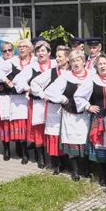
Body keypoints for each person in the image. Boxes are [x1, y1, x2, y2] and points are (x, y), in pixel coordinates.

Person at [45, 50, 91, 181]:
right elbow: (49, 91)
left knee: (85, 141)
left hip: (86, 114)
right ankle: (75, 171)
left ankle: (86, 169)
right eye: (73, 61)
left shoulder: (91, 75)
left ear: (83, 61)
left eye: (78, 60)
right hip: (70, 114)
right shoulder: (66, 76)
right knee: (72, 141)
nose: (76, 63)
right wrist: (63, 99)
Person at [74, 53, 106, 186]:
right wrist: (88, 106)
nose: (102, 66)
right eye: (99, 64)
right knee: (100, 146)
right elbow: (78, 96)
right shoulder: (92, 80)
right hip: (99, 118)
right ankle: (102, 175)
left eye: (105, 63)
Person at [14, 40, 56, 168]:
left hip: (53, 103)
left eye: (43, 50)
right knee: (39, 131)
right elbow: (18, 81)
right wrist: (28, 89)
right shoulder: (32, 67)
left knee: (52, 129)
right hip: (37, 103)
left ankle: (54, 158)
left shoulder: (55, 65)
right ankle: (41, 158)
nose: (40, 53)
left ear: (49, 52)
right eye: (38, 51)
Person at [31, 45, 71, 174]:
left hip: (69, 109)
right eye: (57, 56)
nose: (57, 59)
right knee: (55, 135)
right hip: (54, 109)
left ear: (67, 58)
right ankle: (57, 163)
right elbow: (35, 83)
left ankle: (68, 162)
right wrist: (43, 95)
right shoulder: (52, 72)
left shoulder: (72, 72)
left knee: (67, 134)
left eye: (60, 56)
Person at [8, 39, 36, 163]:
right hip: (17, 99)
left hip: (31, 98)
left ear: (30, 49)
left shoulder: (35, 61)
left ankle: (36, 153)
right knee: (20, 126)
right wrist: (6, 80)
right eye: (19, 46)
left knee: (32, 125)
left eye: (24, 46)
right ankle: (23, 153)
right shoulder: (13, 61)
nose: (21, 48)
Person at [0, 41, 18, 161]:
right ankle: (6, 149)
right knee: (4, 122)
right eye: (4, 51)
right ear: (1, 52)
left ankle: (18, 148)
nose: (7, 53)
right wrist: (4, 80)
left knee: (16, 121)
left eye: (9, 50)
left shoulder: (17, 60)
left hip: (16, 95)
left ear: (13, 50)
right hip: (2, 94)